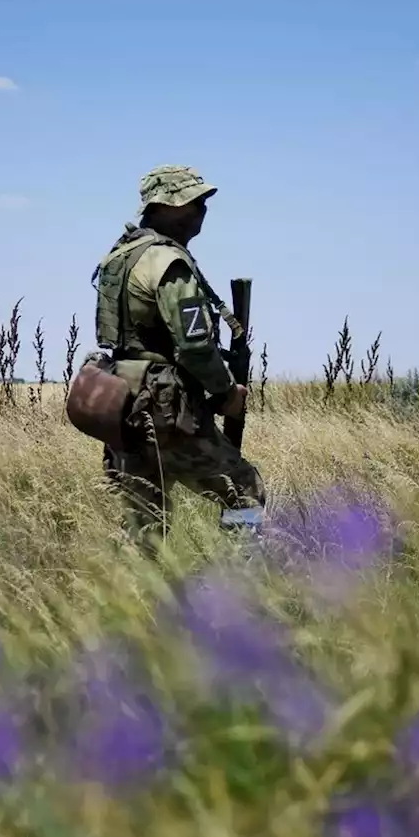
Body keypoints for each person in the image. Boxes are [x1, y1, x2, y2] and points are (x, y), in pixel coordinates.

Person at [88, 164, 265, 558]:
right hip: (163, 403)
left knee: (145, 519)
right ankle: (239, 586)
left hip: (121, 401)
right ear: (165, 205)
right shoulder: (168, 262)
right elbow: (195, 346)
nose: (201, 210)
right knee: (245, 488)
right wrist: (225, 393)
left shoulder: (119, 256)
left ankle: (137, 606)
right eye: (193, 201)